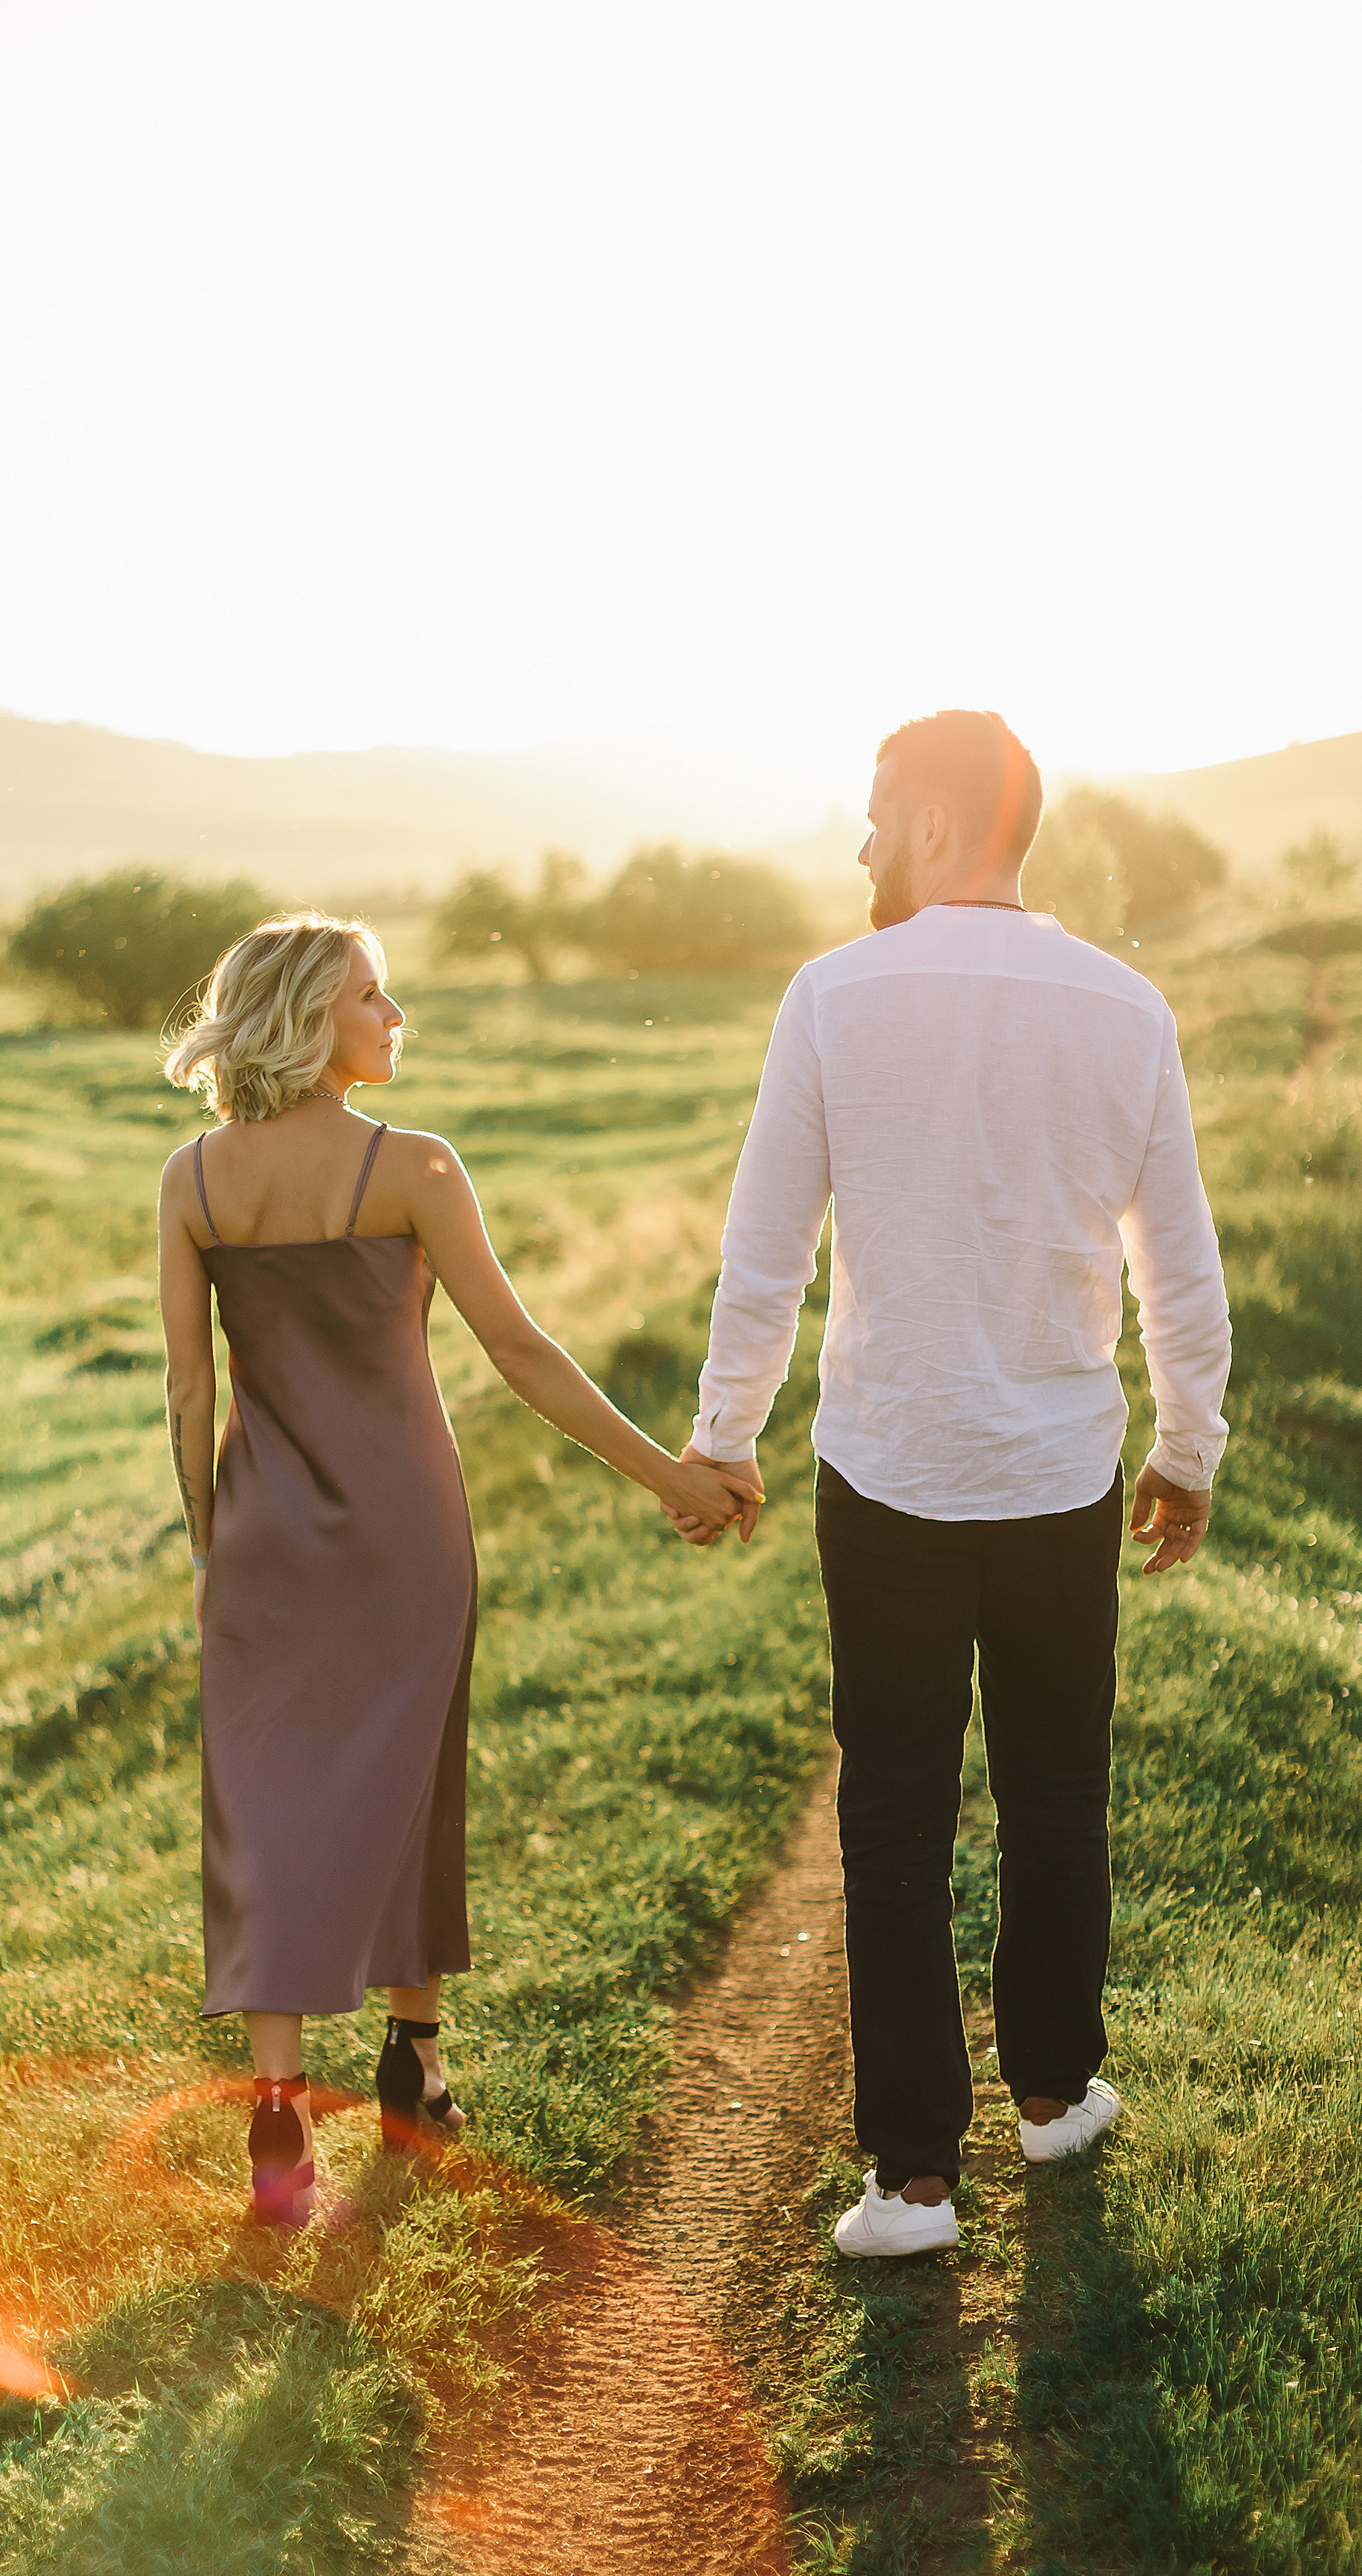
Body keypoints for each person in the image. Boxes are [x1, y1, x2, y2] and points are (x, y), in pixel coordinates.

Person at [674, 710, 1231, 2257]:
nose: (857, 847)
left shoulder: (830, 999)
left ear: (931, 826)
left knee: (896, 1820)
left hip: (890, 1473)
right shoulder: (1122, 1010)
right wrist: (1186, 1452)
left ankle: (911, 2178)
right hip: (1058, 1473)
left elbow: (763, 1250)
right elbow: (1173, 1272)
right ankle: (1053, 2100)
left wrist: (727, 1437)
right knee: (1058, 1795)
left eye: (871, 816)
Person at [157, 915, 758, 2223]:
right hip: (407, 1536)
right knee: (412, 1782)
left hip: (265, 1540)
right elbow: (523, 1354)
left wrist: (215, 1546)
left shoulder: (193, 1183)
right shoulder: (416, 1166)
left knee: (264, 1809)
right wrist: (674, 1478)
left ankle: (275, 2115)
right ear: (313, 1020)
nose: (395, 1017)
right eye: (373, 997)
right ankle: (412, 2060)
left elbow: (188, 1387)